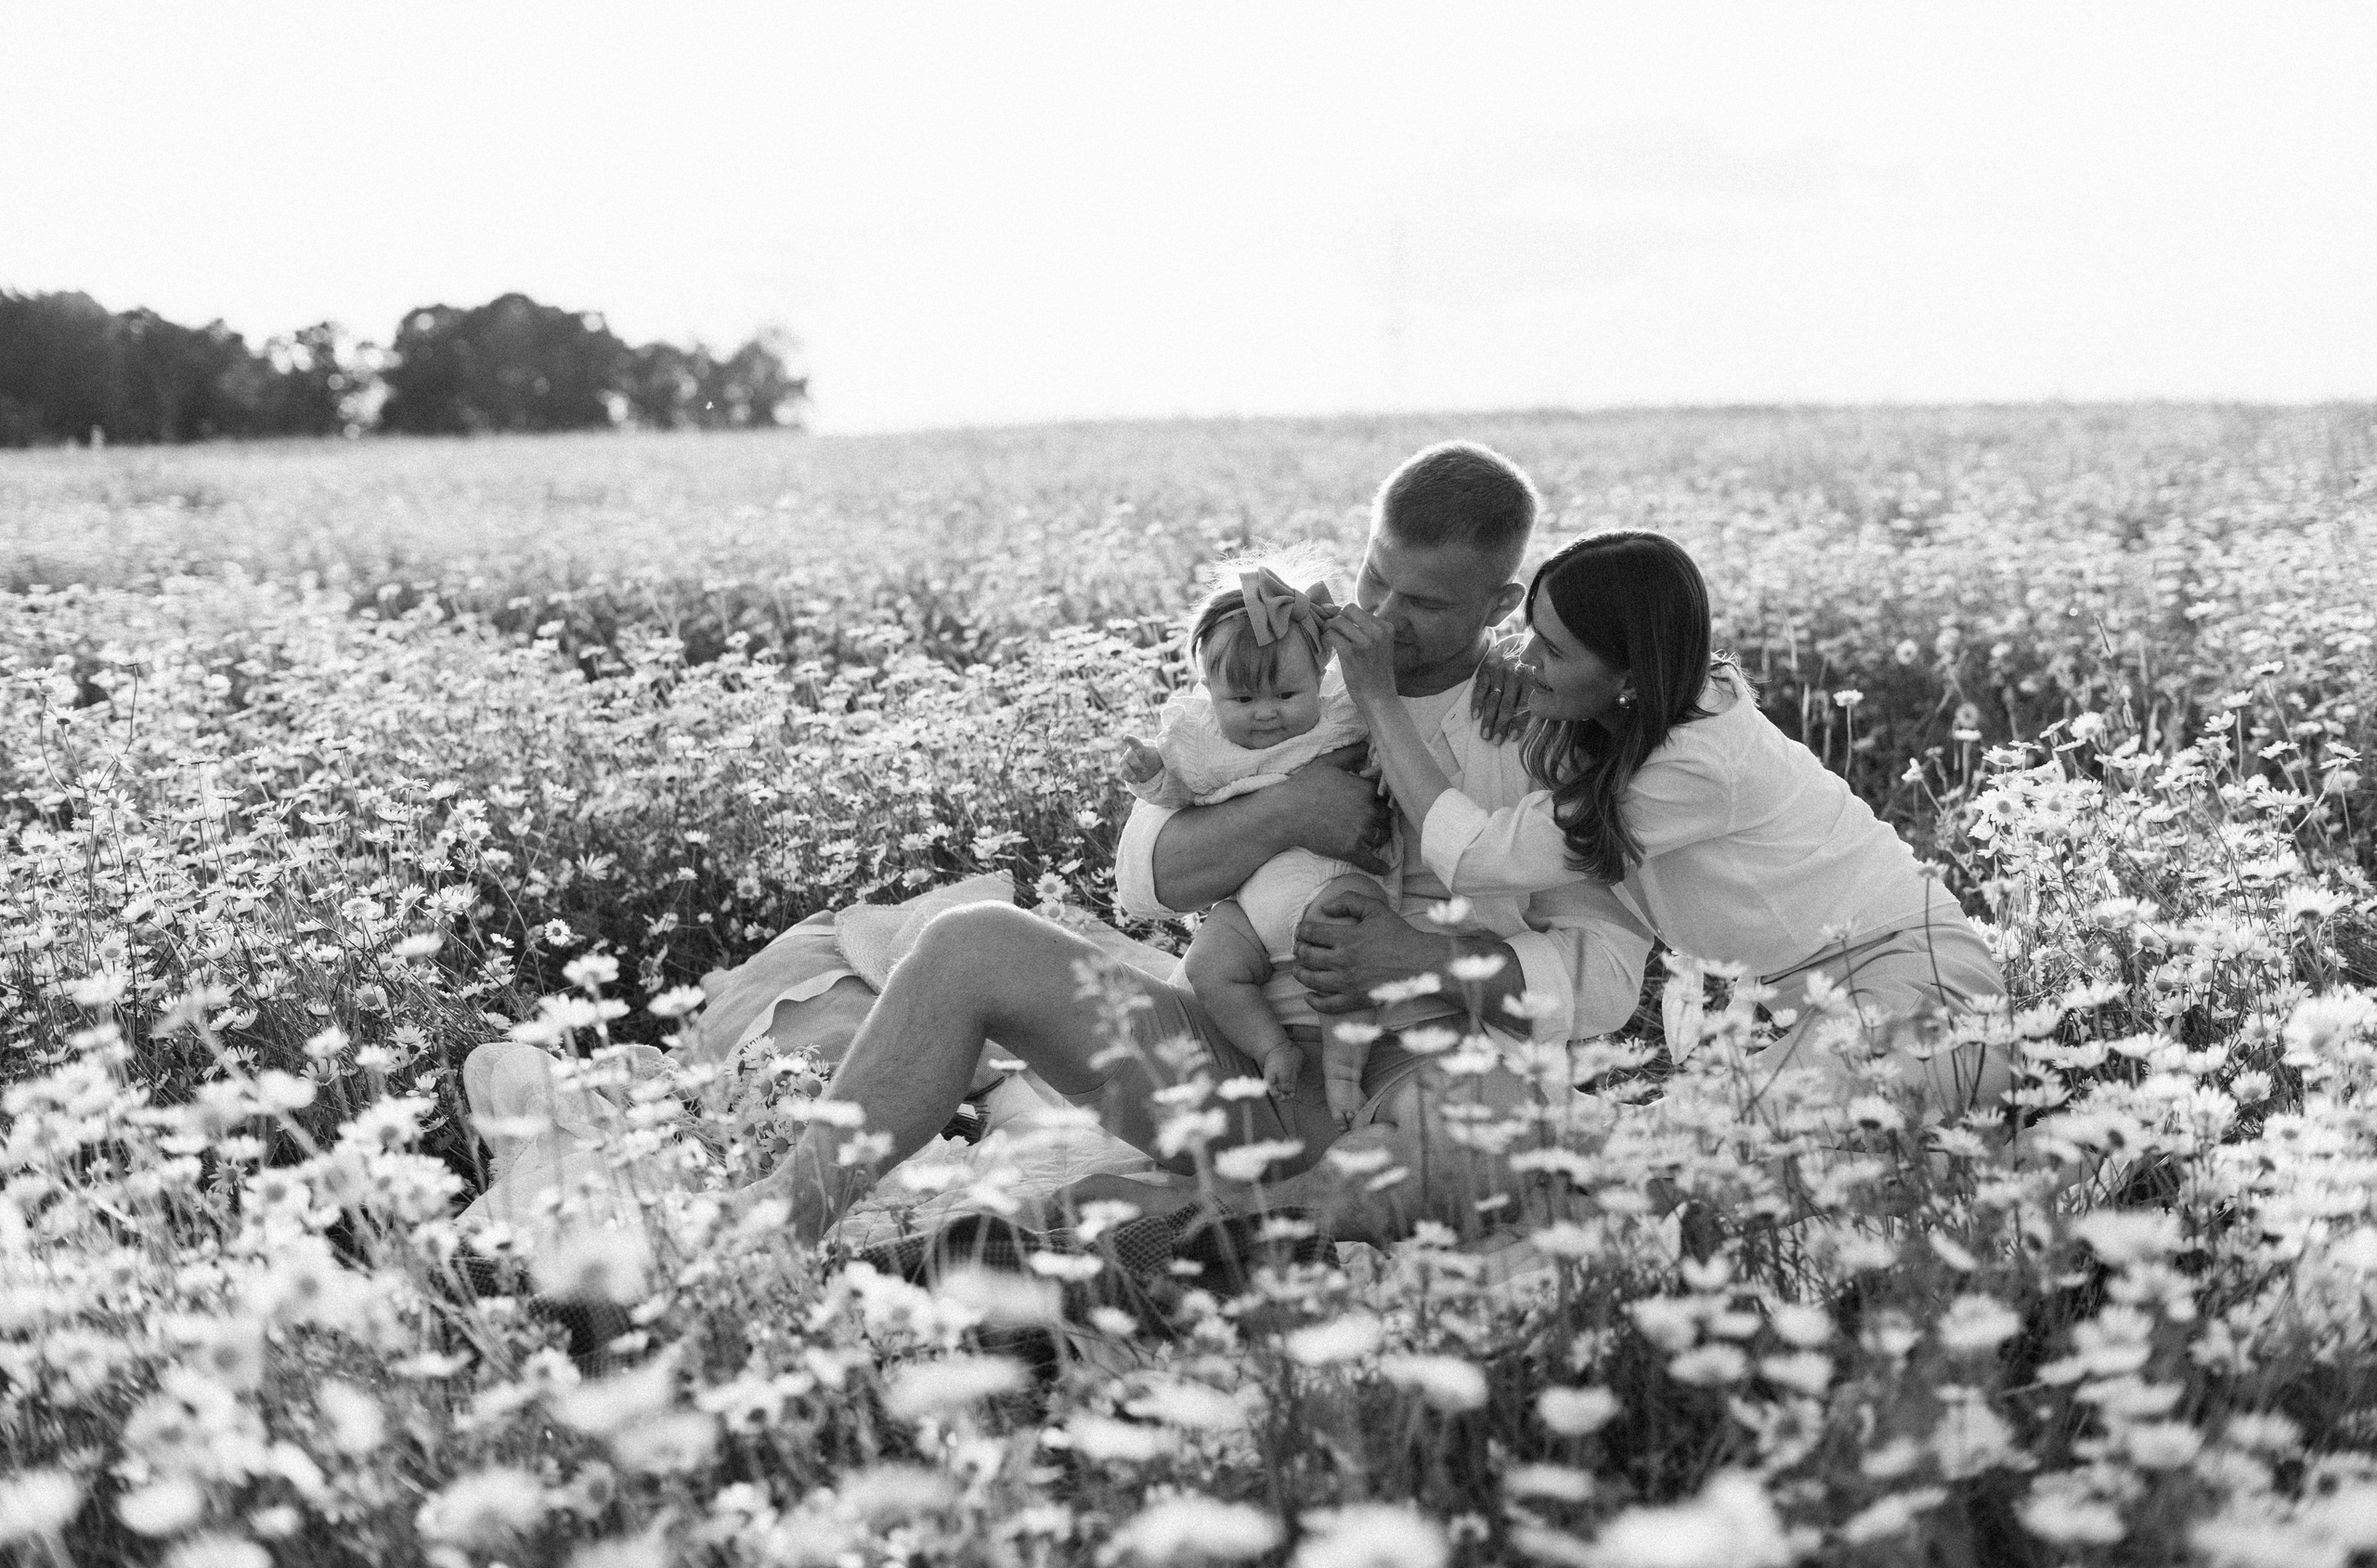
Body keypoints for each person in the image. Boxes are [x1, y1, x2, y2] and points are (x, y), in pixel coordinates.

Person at [735, 441, 1656, 1247]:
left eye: (1418, 603)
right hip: (1226, 1054)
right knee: (964, 942)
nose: (1378, 617)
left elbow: (1608, 976)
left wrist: (1425, 959)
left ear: (1498, 604)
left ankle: (1190, 1230)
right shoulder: (1286, 671)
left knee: (1492, 1134)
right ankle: (780, 1225)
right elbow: (1144, 880)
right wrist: (1295, 809)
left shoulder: (1540, 732)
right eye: (1374, 578)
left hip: (1407, 1076)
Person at [1327, 528, 2010, 1117]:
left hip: (1925, 995)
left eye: (1553, 651)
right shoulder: (1652, 709)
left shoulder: (1694, 764)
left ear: (1628, 672)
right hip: (1838, 1000)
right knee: (1722, 1162)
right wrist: (1501, 667)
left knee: (1693, 1154)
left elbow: (1479, 856)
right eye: (1529, 633)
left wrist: (1378, 697)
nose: (1526, 657)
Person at [1120, 563, 1449, 1122]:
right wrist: (1152, 773)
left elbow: (1389, 741)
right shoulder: (1207, 741)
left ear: (1320, 673)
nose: (1266, 712)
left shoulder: (1345, 709)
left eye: (1286, 694)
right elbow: (1175, 795)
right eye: (1242, 702)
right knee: (1208, 963)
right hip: (1253, 908)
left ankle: (1343, 1075)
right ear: (1210, 692)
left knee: (1343, 959)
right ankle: (1271, 1046)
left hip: (1339, 886)